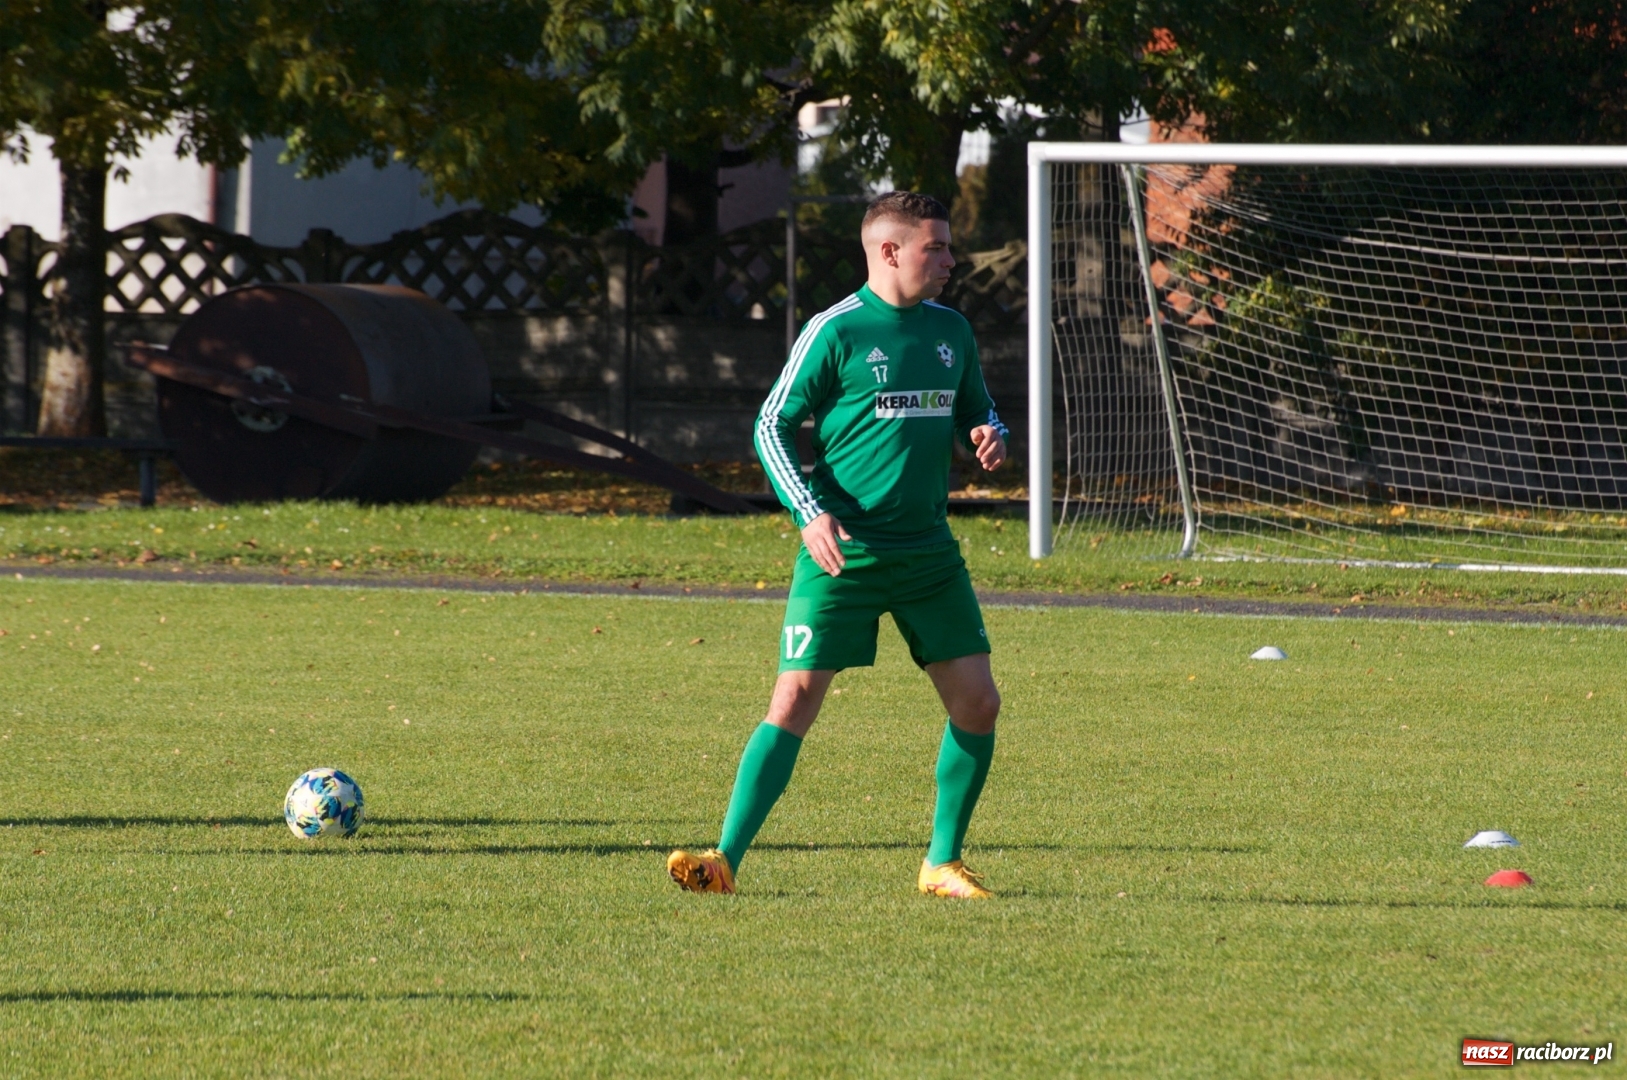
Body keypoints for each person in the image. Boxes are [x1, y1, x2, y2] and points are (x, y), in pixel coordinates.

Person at [666, 191, 1009, 899]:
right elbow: (770, 425)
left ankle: (941, 863)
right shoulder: (836, 330)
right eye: (936, 247)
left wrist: (989, 432)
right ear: (889, 251)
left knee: (978, 704)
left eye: (947, 246)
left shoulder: (952, 330)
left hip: (928, 553)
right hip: (842, 550)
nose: (950, 260)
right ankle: (723, 861)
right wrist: (808, 513)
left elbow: (977, 406)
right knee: (793, 698)